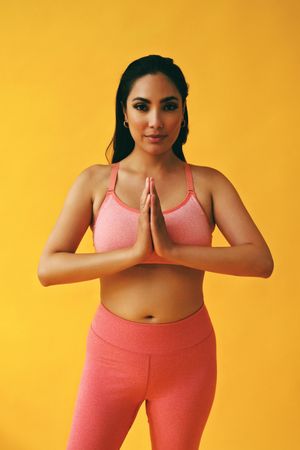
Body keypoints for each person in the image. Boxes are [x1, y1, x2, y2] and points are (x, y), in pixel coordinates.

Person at [37, 54, 274, 450]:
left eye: (169, 106)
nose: (155, 121)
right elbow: (48, 267)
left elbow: (260, 261)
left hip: (188, 359)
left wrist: (173, 249)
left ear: (183, 113)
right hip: (111, 355)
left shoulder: (209, 183)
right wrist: (134, 253)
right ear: (125, 113)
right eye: (142, 106)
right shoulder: (96, 182)